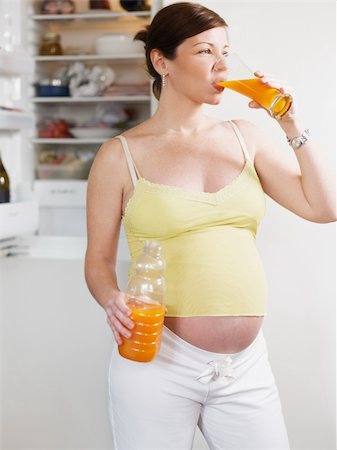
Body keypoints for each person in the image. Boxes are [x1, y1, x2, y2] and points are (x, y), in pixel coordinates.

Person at [84, 2, 336, 449]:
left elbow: (324, 207)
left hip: (244, 367)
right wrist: (111, 299)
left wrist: (291, 123)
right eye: (205, 52)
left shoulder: (246, 137)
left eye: (227, 51)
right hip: (155, 359)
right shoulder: (118, 155)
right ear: (162, 61)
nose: (223, 65)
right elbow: (99, 260)